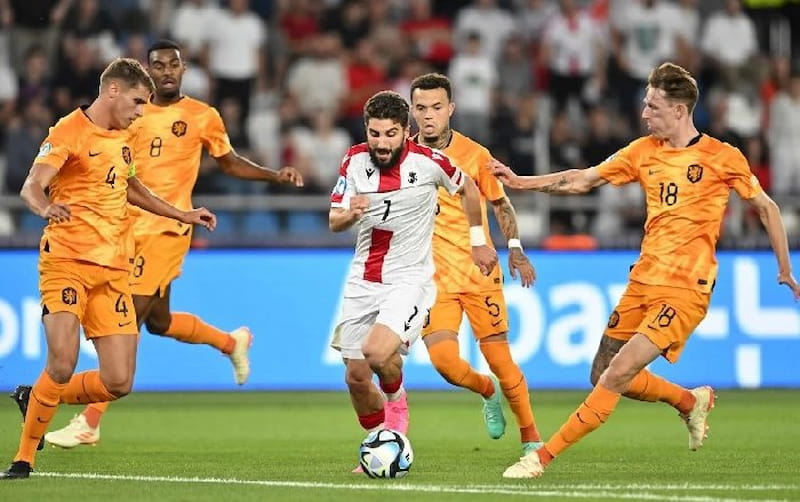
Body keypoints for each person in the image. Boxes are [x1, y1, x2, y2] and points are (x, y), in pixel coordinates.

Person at [493, 62, 800, 479]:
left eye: (653, 106)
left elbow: (767, 207)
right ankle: (689, 401)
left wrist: (784, 268)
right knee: (602, 372)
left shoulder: (722, 157)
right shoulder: (643, 152)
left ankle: (540, 458)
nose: (644, 114)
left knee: (619, 372)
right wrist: (520, 182)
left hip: (686, 288)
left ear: (679, 110)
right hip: (643, 281)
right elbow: (583, 180)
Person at [40, 39, 304, 449]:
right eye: (158, 65)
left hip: (166, 232)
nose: (167, 71)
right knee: (159, 322)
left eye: (173, 64)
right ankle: (230, 342)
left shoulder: (202, 116)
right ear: (147, 72)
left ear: (184, 69)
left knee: (130, 316)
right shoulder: (132, 111)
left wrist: (273, 175)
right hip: (121, 229)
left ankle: (89, 420)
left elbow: (228, 161)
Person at [1, 58, 217, 480]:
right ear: (113, 91)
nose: (141, 112)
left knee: (119, 382)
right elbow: (31, 186)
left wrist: (181, 213)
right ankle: (23, 459)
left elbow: (129, 185)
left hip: (114, 268)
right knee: (62, 363)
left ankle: (36, 396)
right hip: (67, 262)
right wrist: (45, 207)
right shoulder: (68, 131)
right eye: (137, 102)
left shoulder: (124, 137)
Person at [329, 90, 497, 470]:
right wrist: (351, 214)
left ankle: (397, 406)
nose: (381, 143)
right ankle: (379, 443)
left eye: (390, 134)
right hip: (363, 279)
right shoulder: (353, 161)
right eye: (374, 133)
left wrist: (477, 241)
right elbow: (334, 220)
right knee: (356, 378)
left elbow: (469, 188)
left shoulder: (430, 162)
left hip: (410, 280)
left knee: (376, 353)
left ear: (406, 131)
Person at [409, 73, 543, 455]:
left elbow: (501, 204)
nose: (429, 116)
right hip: (434, 280)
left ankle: (531, 438)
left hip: (478, 272)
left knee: (501, 360)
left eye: (437, 107)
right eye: (421, 108)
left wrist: (514, 247)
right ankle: (486, 390)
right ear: (413, 111)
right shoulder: (404, 156)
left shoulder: (475, 154)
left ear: (451, 109)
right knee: (445, 364)